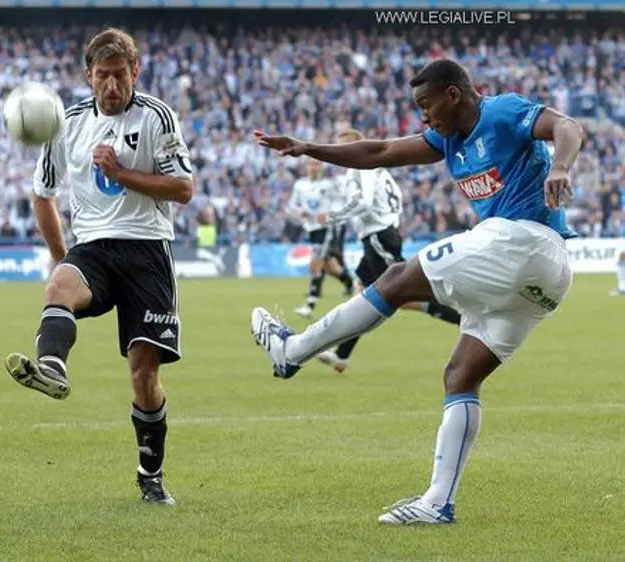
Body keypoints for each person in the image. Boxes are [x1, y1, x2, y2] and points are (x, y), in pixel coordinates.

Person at [250, 59, 583, 524]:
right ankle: (437, 504)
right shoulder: (448, 139)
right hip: (543, 280)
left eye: (426, 105)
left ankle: (293, 351)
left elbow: (567, 126)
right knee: (460, 376)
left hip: (523, 241)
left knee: (396, 278)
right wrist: (308, 148)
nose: (422, 117)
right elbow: (380, 150)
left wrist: (560, 166)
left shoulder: (502, 112)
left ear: (453, 94)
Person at [4, 28, 193, 506]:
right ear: (88, 76)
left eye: (120, 75)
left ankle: (150, 475)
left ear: (136, 72)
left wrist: (121, 174)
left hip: (147, 250)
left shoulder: (156, 117)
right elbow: (43, 196)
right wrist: (61, 257)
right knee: (59, 286)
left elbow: (184, 189)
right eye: (103, 76)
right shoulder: (64, 125)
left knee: (143, 375)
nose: (112, 85)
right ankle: (53, 367)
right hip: (94, 248)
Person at [316, 128, 461, 374]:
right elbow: (396, 201)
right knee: (363, 296)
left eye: (343, 148)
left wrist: (334, 216)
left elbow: (363, 202)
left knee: (406, 293)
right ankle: (341, 355)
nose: (339, 153)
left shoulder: (360, 168)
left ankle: (465, 317)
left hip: (378, 237)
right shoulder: (378, 170)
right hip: (379, 236)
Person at [287, 158, 354, 318]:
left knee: (315, 265)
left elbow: (345, 199)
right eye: (311, 164)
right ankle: (351, 283)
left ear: (322, 167)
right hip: (311, 229)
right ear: (307, 166)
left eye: (317, 164)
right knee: (331, 268)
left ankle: (310, 305)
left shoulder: (329, 184)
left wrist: (333, 214)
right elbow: (291, 206)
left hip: (327, 229)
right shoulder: (300, 185)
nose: (314, 167)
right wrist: (299, 212)